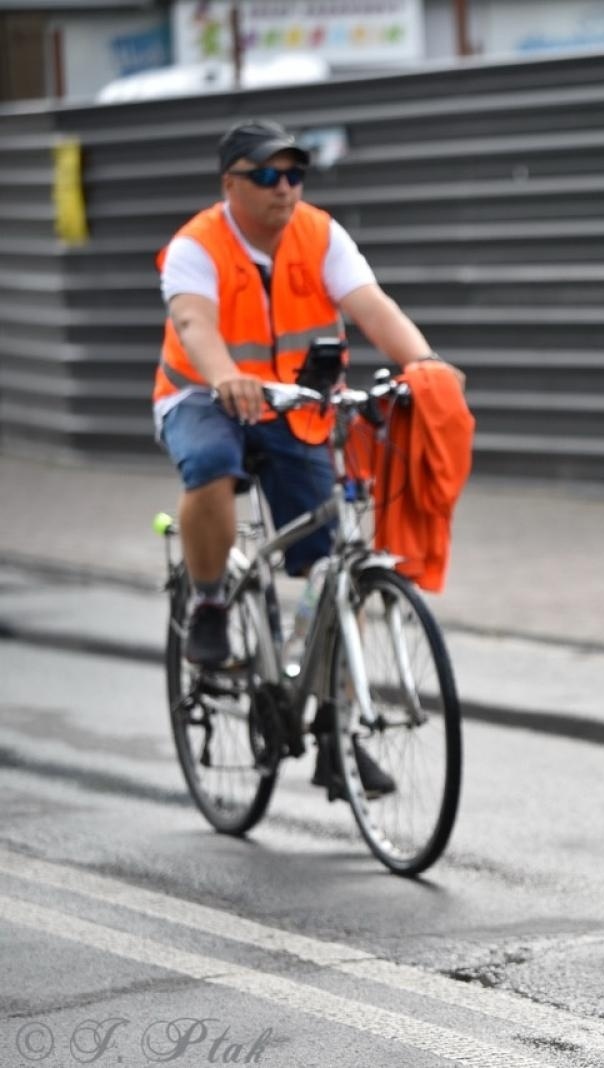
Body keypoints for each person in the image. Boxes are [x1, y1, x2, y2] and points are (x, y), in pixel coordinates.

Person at [154, 118, 464, 797]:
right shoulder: (196, 245)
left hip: (296, 404)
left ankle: (335, 733)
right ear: (231, 182)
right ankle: (208, 603)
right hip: (206, 395)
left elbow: (371, 306)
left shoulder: (321, 235)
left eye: (295, 173)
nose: (285, 187)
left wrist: (425, 364)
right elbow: (193, 323)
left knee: (333, 567)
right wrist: (224, 374)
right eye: (268, 174)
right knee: (211, 466)